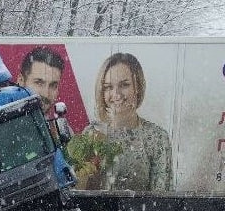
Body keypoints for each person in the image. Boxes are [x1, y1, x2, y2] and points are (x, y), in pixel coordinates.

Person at [67, 53, 172, 192]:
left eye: (124, 85)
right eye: (108, 87)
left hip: (139, 208)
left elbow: (161, 198)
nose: (116, 94)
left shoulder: (157, 138)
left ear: (138, 87)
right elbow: (78, 192)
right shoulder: (92, 133)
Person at [17, 46, 64, 116]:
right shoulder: (1, 119)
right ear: (21, 81)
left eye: (53, 86)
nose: (46, 94)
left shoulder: (58, 121)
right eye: (39, 83)